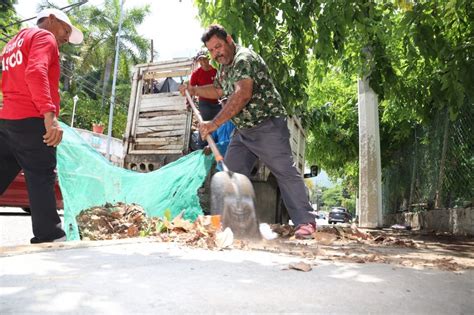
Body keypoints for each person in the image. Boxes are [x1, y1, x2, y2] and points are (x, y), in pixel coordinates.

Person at [179, 24, 316, 239]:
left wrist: (213, 124)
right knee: (230, 172)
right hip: (243, 131)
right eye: (212, 50)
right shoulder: (224, 68)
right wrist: (193, 89)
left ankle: (306, 222)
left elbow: (242, 94)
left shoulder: (244, 59)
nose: (216, 53)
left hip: (267, 125)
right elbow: (218, 90)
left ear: (229, 40)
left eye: (219, 46)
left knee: (284, 171)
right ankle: (234, 225)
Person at [0, 8, 83, 244]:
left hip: (8, 121)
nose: (66, 39)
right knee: (41, 173)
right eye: (66, 31)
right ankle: (50, 236)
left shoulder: (15, 41)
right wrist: (49, 115)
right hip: (31, 118)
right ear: (51, 19)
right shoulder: (43, 37)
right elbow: (36, 72)